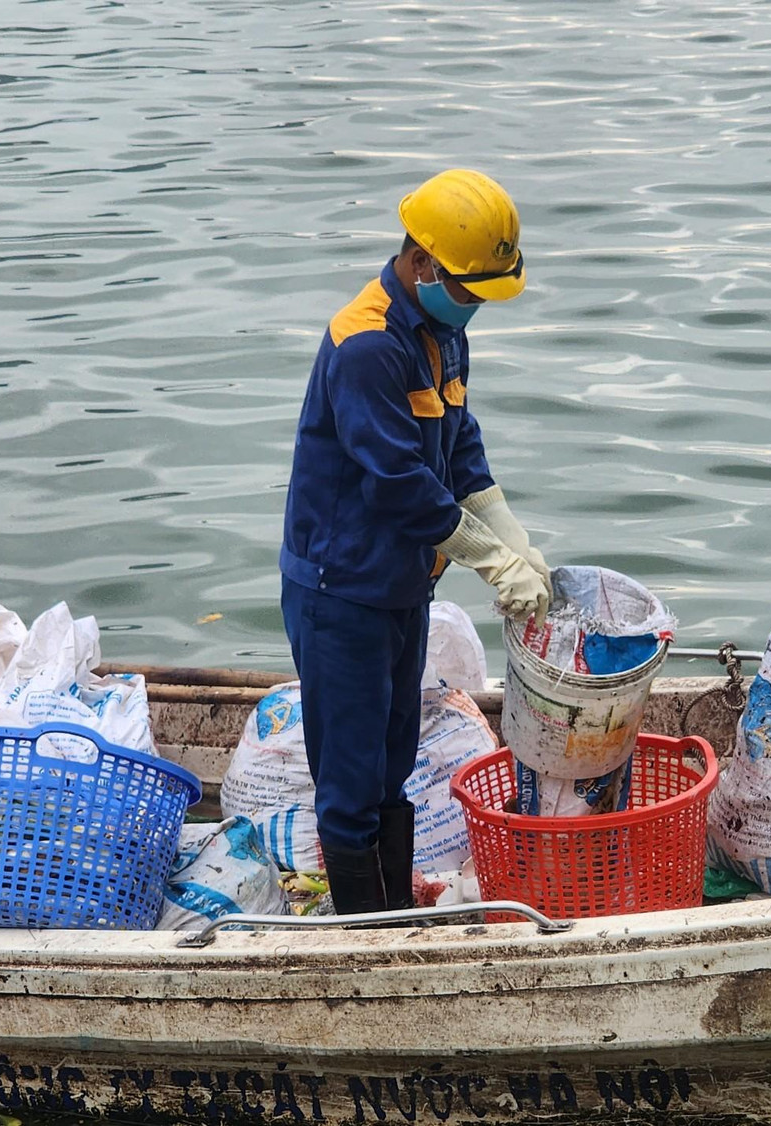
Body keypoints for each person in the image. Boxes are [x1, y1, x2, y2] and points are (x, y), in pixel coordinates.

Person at [280, 169, 551, 916]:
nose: (474, 307)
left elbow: (458, 447)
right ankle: (365, 943)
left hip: (402, 586)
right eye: (468, 290)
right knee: (350, 778)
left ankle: (397, 916)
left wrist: (511, 532)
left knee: (393, 762)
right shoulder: (366, 344)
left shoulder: (441, 334)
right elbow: (396, 482)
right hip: (342, 591)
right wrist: (491, 561)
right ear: (422, 263)